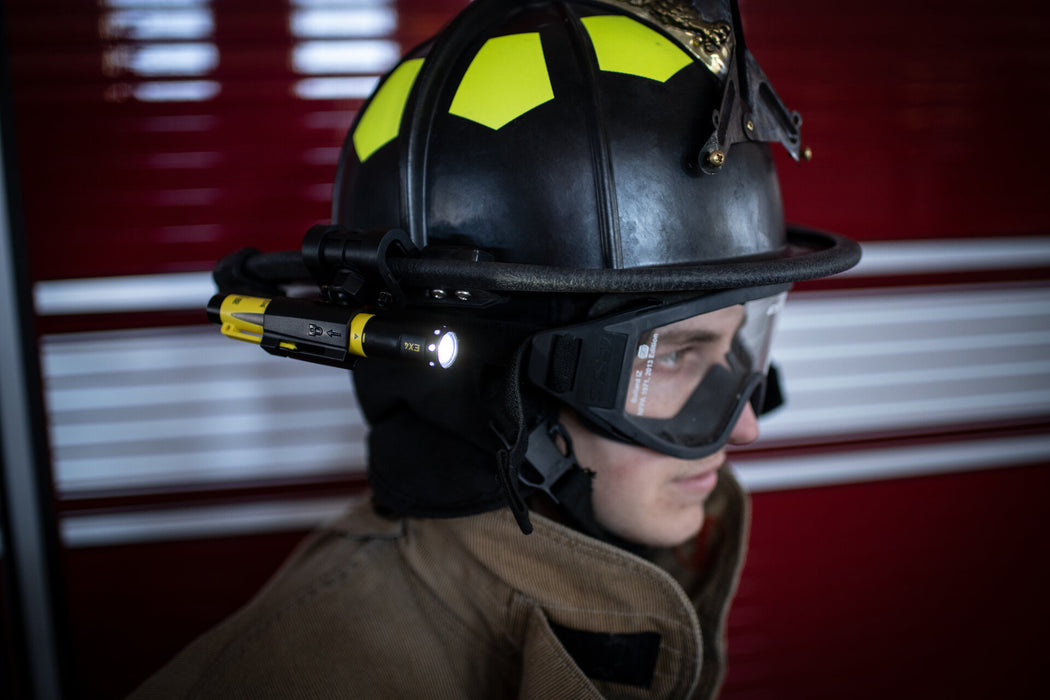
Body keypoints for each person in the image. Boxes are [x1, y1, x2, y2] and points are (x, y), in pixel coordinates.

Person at [132, 0, 859, 697]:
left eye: (738, 344)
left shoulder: (630, 602)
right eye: (671, 355)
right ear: (489, 387)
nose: (745, 426)